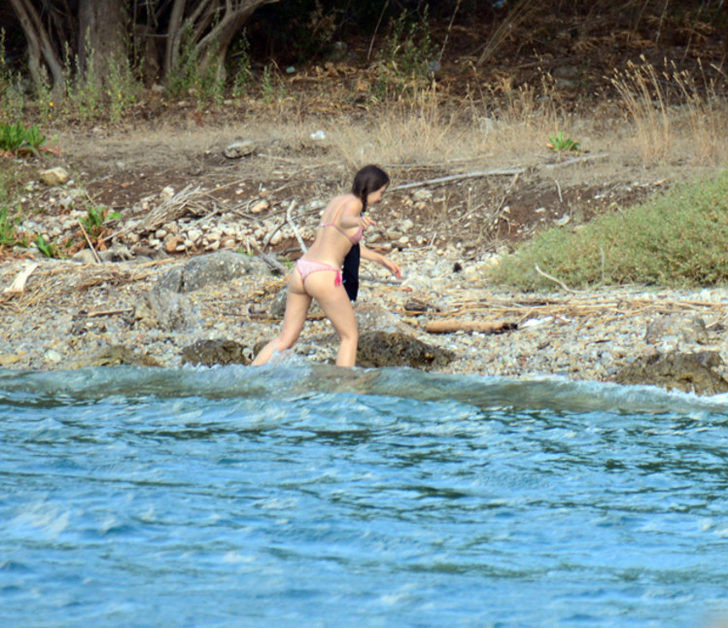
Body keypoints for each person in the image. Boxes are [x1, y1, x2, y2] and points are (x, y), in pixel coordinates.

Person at [252, 164, 402, 367]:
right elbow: (345, 220)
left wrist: (382, 260)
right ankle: (344, 393)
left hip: (302, 270)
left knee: (285, 339)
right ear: (370, 187)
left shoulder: (337, 201)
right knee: (349, 336)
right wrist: (357, 220)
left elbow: (343, 239)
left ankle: (250, 377)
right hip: (323, 274)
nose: (381, 199)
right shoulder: (355, 205)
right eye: (381, 192)